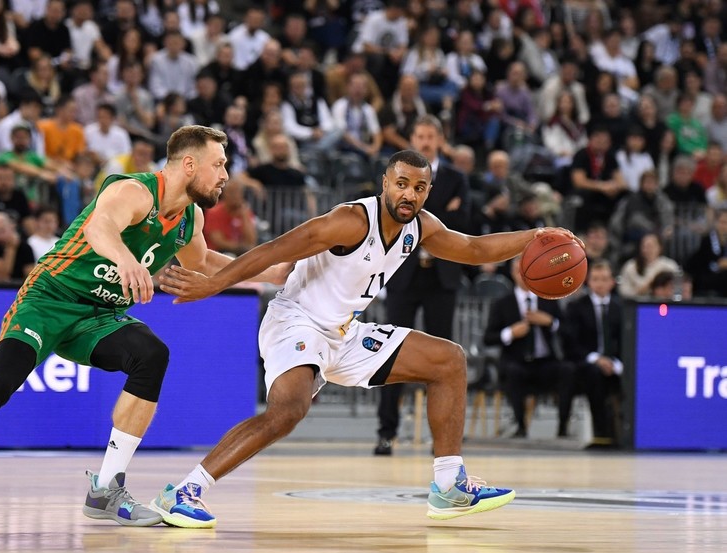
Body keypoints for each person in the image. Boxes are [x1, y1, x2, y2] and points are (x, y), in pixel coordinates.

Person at [0, 125, 288, 527]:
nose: (226, 175)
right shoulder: (134, 191)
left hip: (97, 315)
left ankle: (105, 490)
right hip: (48, 300)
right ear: (190, 165)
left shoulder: (188, 220)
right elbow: (98, 226)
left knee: (152, 354)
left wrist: (271, 273)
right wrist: (125, 259)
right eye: (219, 164)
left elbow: (201, 262)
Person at [153, 150, 579, 528]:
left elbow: (471, 248)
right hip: (296, 321)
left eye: (419, 187)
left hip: (345, 333)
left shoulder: (422, 227)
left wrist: (534, 237)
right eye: (401, 185)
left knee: (448, 360)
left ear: (428, 191)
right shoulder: (350, 220)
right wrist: (215, 284)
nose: (409, 195)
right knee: (288, 411)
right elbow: (275, 250)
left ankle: (449, 487)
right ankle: (185, 491)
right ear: (385, 184)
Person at [376, 115, 469, 455]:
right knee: (389, 356)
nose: (425, 141)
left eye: (431, 136)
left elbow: (461, 224)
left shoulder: (458, 178)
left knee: (442, 360)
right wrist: (442, 212)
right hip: (404, 276)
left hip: (442, 279)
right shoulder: (401, 178)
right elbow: (399, 216)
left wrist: (429, 216)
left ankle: (441, 440)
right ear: (411, 139)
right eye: (420, 136)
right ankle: (386, 433)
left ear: (440, 141)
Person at [483, 256, 576, 439]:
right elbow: (488, 338)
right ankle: (520, 427)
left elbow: (568, 331)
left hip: (544, 362)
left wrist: (550, 322)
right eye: (519, 270)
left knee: (568, 370)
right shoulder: (502, 303)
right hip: (516, 361)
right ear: (512, 273)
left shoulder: (548, 299)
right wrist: (510, 333)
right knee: (512, 372)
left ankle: (563, 427)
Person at [563, 261, 623, 447]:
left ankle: (625, 433)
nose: (600, 284)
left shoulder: (621, 309)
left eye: (604, 279)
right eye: (596, 279)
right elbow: (571, 343)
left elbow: (626, 342)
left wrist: (617, 364)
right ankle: (601, 434)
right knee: (594, 375)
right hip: (586, 363)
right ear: (589, 282)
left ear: (612, 282)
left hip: (617, 364)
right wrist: (597, 359)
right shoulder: (576, 307)